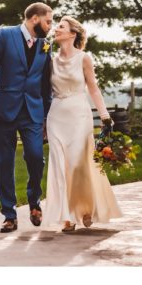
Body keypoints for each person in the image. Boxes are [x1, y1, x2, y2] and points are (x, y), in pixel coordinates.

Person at [0, 2, 53, 233]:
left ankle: (34, 200)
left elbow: (46, 83)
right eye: (49, 21)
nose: (51, 26)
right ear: (35, 19)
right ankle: (9, 214)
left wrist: (47, 116)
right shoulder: (5, 35)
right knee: (3, 162)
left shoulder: (45, 45)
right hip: (3, 109)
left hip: (32, 111)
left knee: (36, 157)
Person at [42, 16, 122, 232]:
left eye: (61, 26)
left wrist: (105, 116)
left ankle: (85, 208)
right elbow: (42, 90)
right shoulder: (48, 59)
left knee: (78, 165)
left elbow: (93, 88)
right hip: (56, 115)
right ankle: (67, 217)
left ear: (72, 34)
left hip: (80, 115)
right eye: (56, 26)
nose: (55, 29)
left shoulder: (84, 58)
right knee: (59, 167)